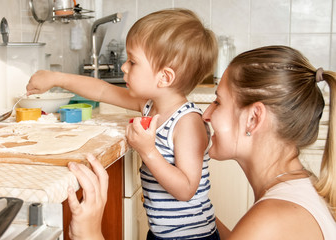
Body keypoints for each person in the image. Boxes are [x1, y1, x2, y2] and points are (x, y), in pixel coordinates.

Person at [66, 45, 336, 240]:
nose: (204, 114)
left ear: (253, 118)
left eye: (218, 101)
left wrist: (89, 233)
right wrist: (198, 218)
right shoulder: (297, 195)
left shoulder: (273, 221)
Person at [27, 9, 219, 240]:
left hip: (192, 237)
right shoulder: (149, 105)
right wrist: (57, 79)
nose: (124, 67)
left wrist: (147, 150)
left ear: (165, 77)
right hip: (161, 232)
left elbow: (186, 189)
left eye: (133, 61)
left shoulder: (188, 122)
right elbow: (102, 90)